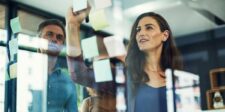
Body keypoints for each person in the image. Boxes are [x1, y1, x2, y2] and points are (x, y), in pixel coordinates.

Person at [125, 12, 182, 112]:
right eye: (138, 30)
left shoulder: (175, 77)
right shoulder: (128, 73)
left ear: (165, 35)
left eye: (149, 28)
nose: (141, 33)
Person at [65, 6, 118, 112]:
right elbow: (78, 73)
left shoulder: (126, 94)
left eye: (108, 63)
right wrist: (72, 26)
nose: (105, 68)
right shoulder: (89, 102)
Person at [36, 19, 78, 112]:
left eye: (59, 37)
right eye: (49, 34)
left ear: (62, 45)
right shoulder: (22, 71)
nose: (54, 39)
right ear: (39, 40)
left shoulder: (68, 82)